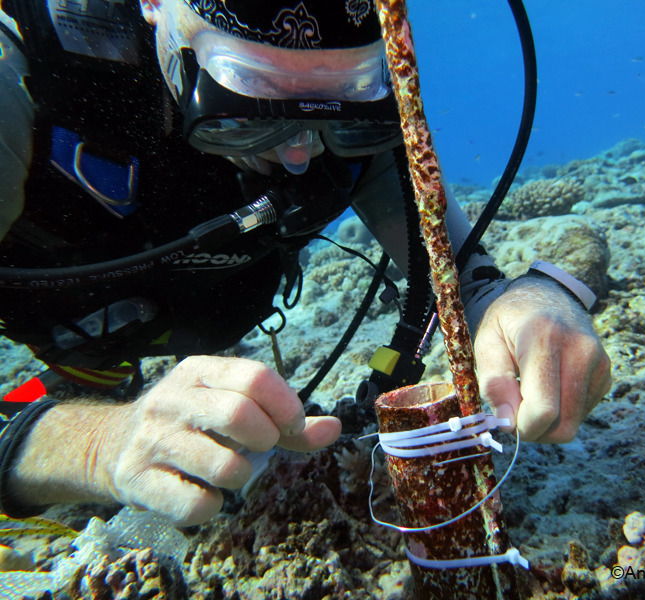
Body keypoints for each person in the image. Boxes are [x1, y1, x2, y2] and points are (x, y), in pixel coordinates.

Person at [0, 0, 611, 526]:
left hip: (200, 316)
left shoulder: (356, 137)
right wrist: (95, 447)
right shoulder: (16, 77)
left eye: (345, 100)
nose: (299, 154)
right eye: (248, 96)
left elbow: (461, 275)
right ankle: (75, 393)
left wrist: (521, 302)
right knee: (54, 404)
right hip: (69, 335)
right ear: (157, 8)